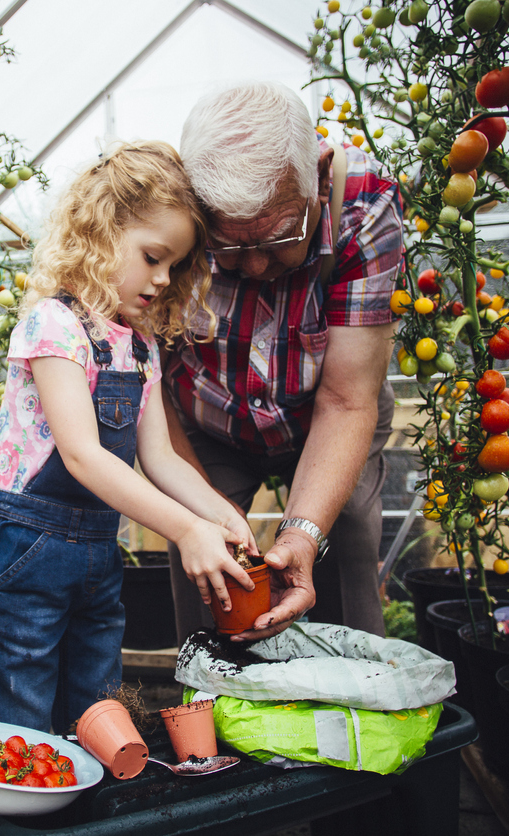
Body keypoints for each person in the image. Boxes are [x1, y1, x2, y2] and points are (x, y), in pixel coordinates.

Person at [0, 141, 258, 732]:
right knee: (18, 715)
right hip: (26, 554)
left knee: (96, 712)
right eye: (152, 256)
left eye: (174, 266)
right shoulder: (55, 325)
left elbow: (161, 458)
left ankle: (83, 813)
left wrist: (222, 516)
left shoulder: (140, 345)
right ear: (102, 231)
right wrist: (184, 529)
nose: (162, 279)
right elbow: (81, 455)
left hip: (97, 558)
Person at [163, 81, 404, 643]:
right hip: (209, 418)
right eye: (228, 245)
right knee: (205, 563)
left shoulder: (366, 206)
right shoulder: (167, 208)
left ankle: (350, 700)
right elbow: (150, 390)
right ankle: (210, 707)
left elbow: (347, 401)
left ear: (319, 175)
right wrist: (202, 516)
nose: (253, 266)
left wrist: (301, 533)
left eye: (276, 237)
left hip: (327, 407)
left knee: (345, 538)